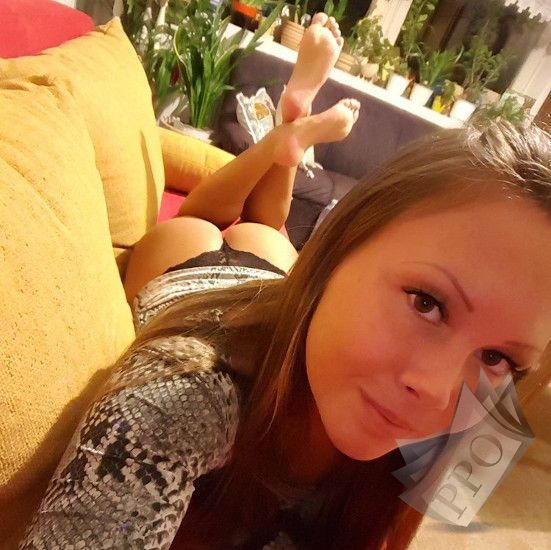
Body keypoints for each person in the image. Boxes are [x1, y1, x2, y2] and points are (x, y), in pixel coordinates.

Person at [20, 11, 551, 550]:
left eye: (497, 357)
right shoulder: (180, 399)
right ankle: (287, 132)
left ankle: (292, 123)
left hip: (277, 279)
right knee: (201, 220)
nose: (437, 392)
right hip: (195, 276)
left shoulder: (434, 442)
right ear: (338, 245)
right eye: (427, 302)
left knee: (265, 224)